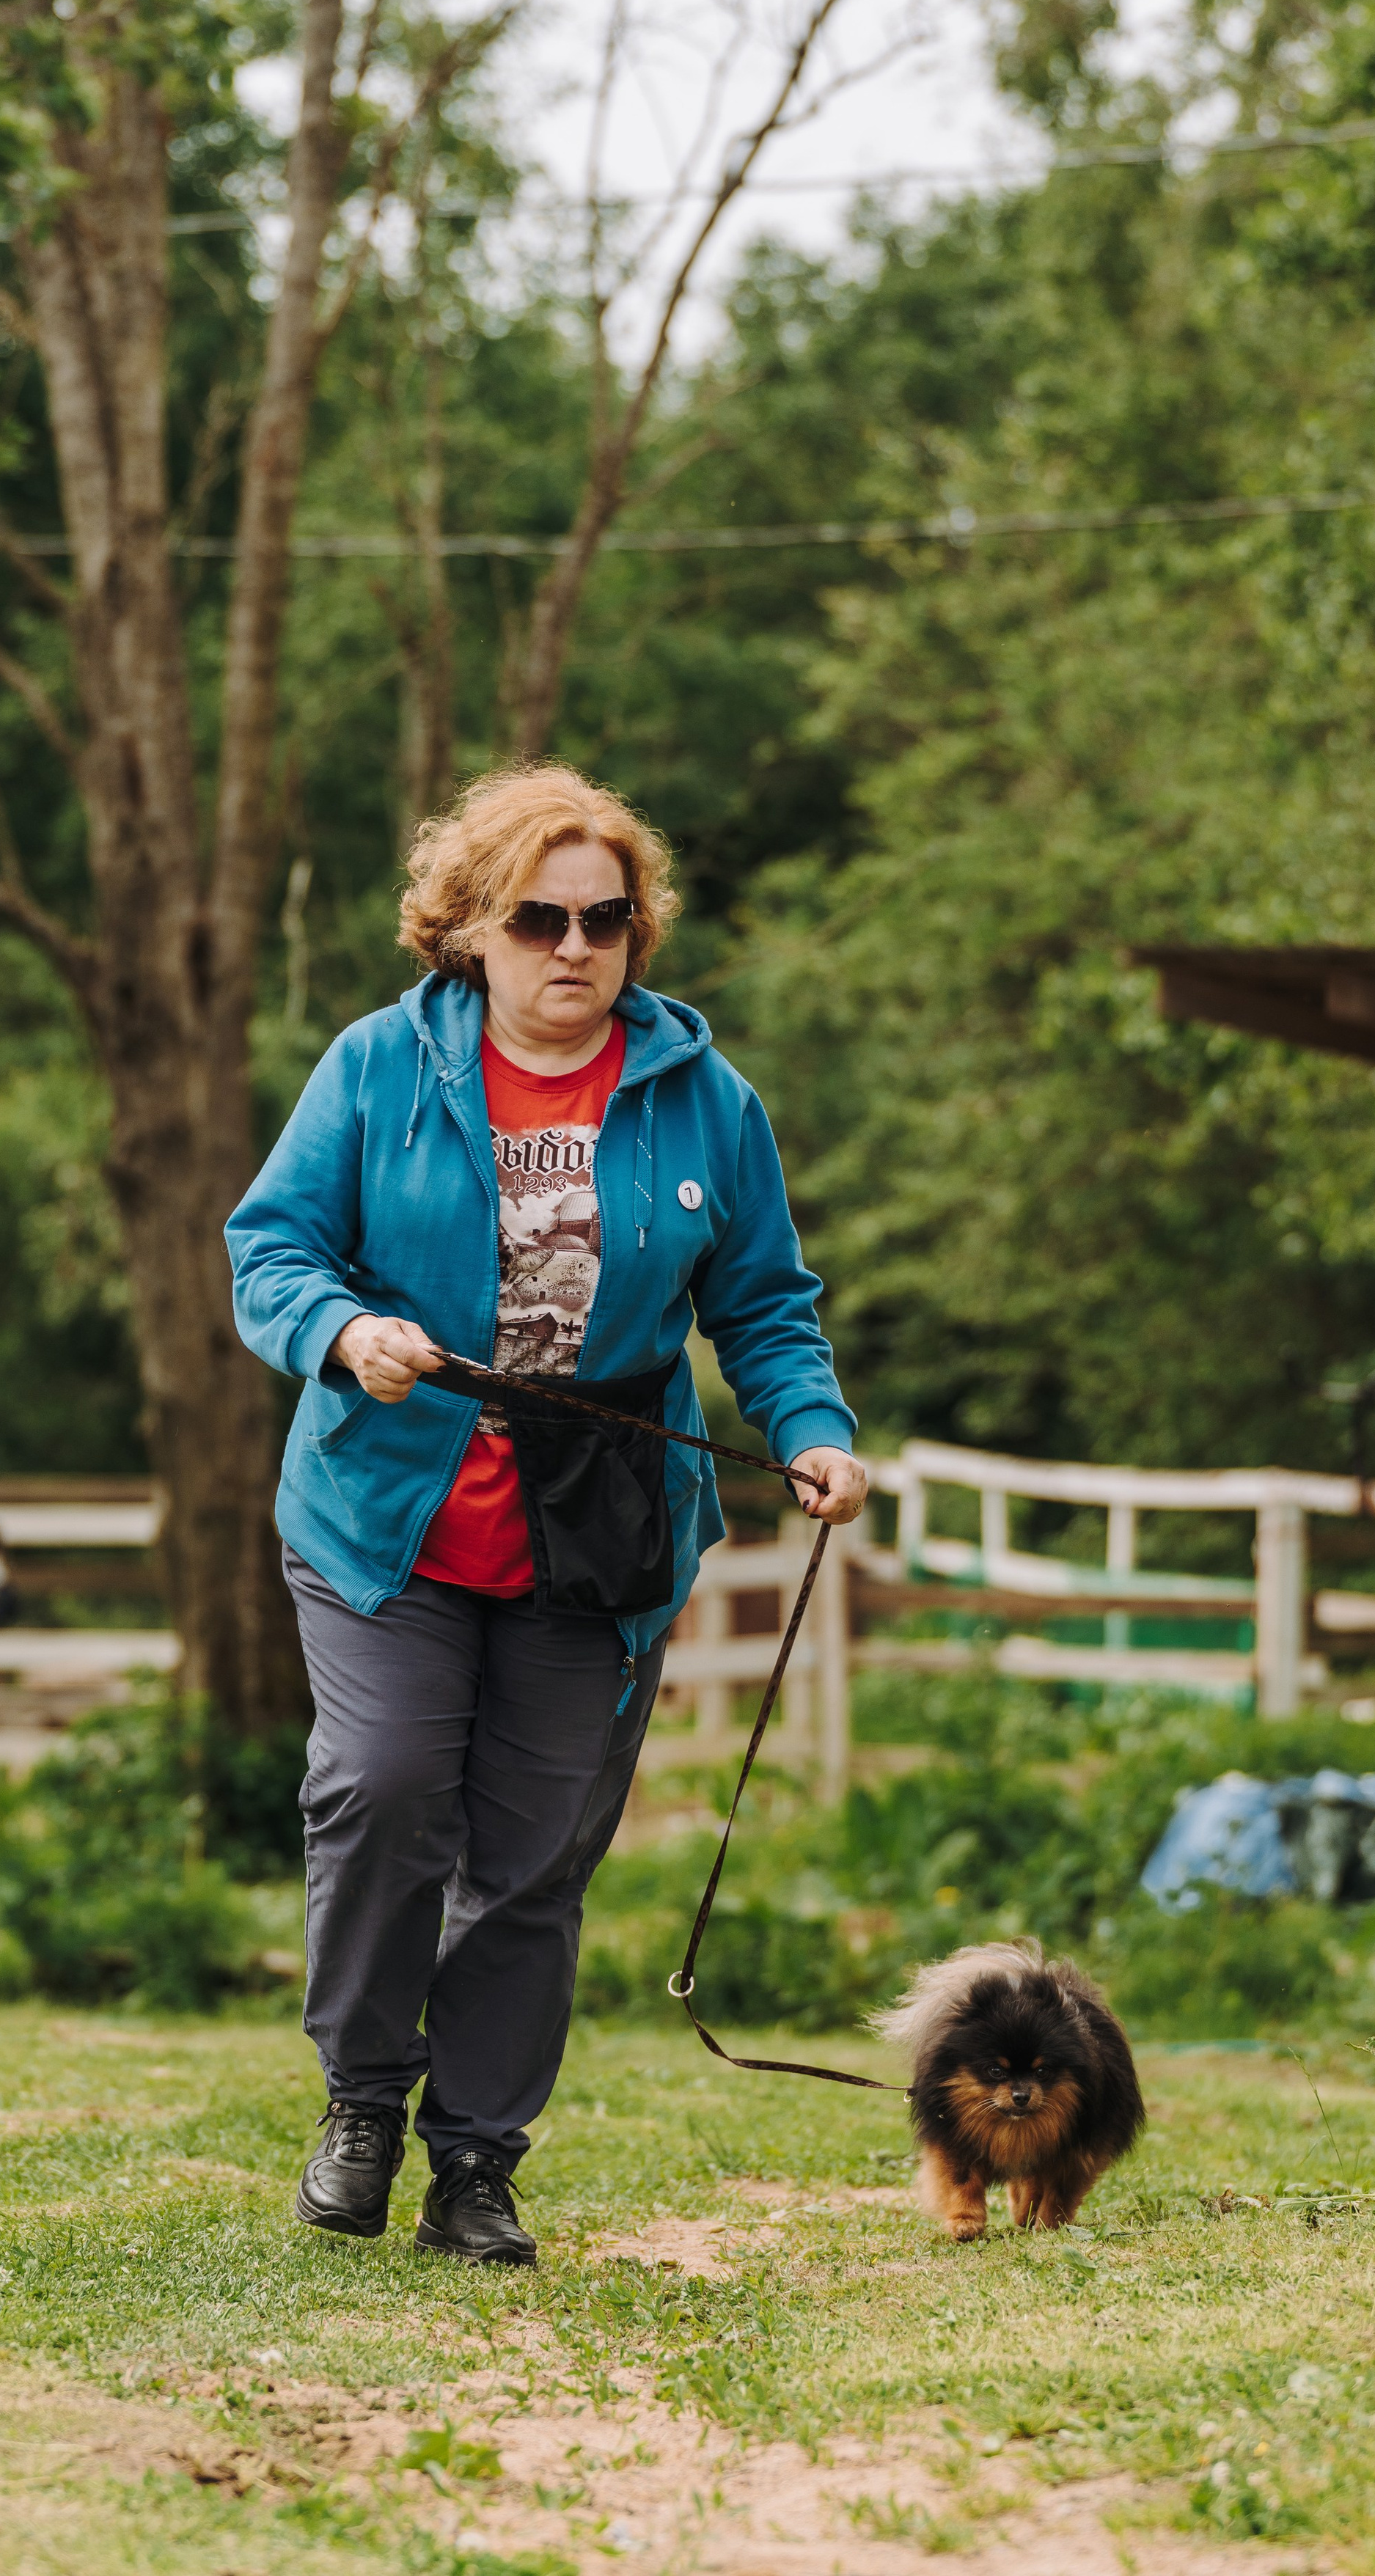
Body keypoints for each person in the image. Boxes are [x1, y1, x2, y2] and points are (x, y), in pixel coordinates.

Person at [227, 764, 868, 2269]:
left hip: (598, 1525)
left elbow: (764, 1304)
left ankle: (476, 2159)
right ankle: (363, 2100)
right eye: (537, 917)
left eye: (606, 916)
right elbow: (271, 1248)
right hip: (389, 1508)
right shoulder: (379, 1067)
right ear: (468, 927)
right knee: (380, 1788)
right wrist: (337, 1328)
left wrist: (817, 1431)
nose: (574, 945)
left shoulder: (707, 1098)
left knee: (530, 1857)